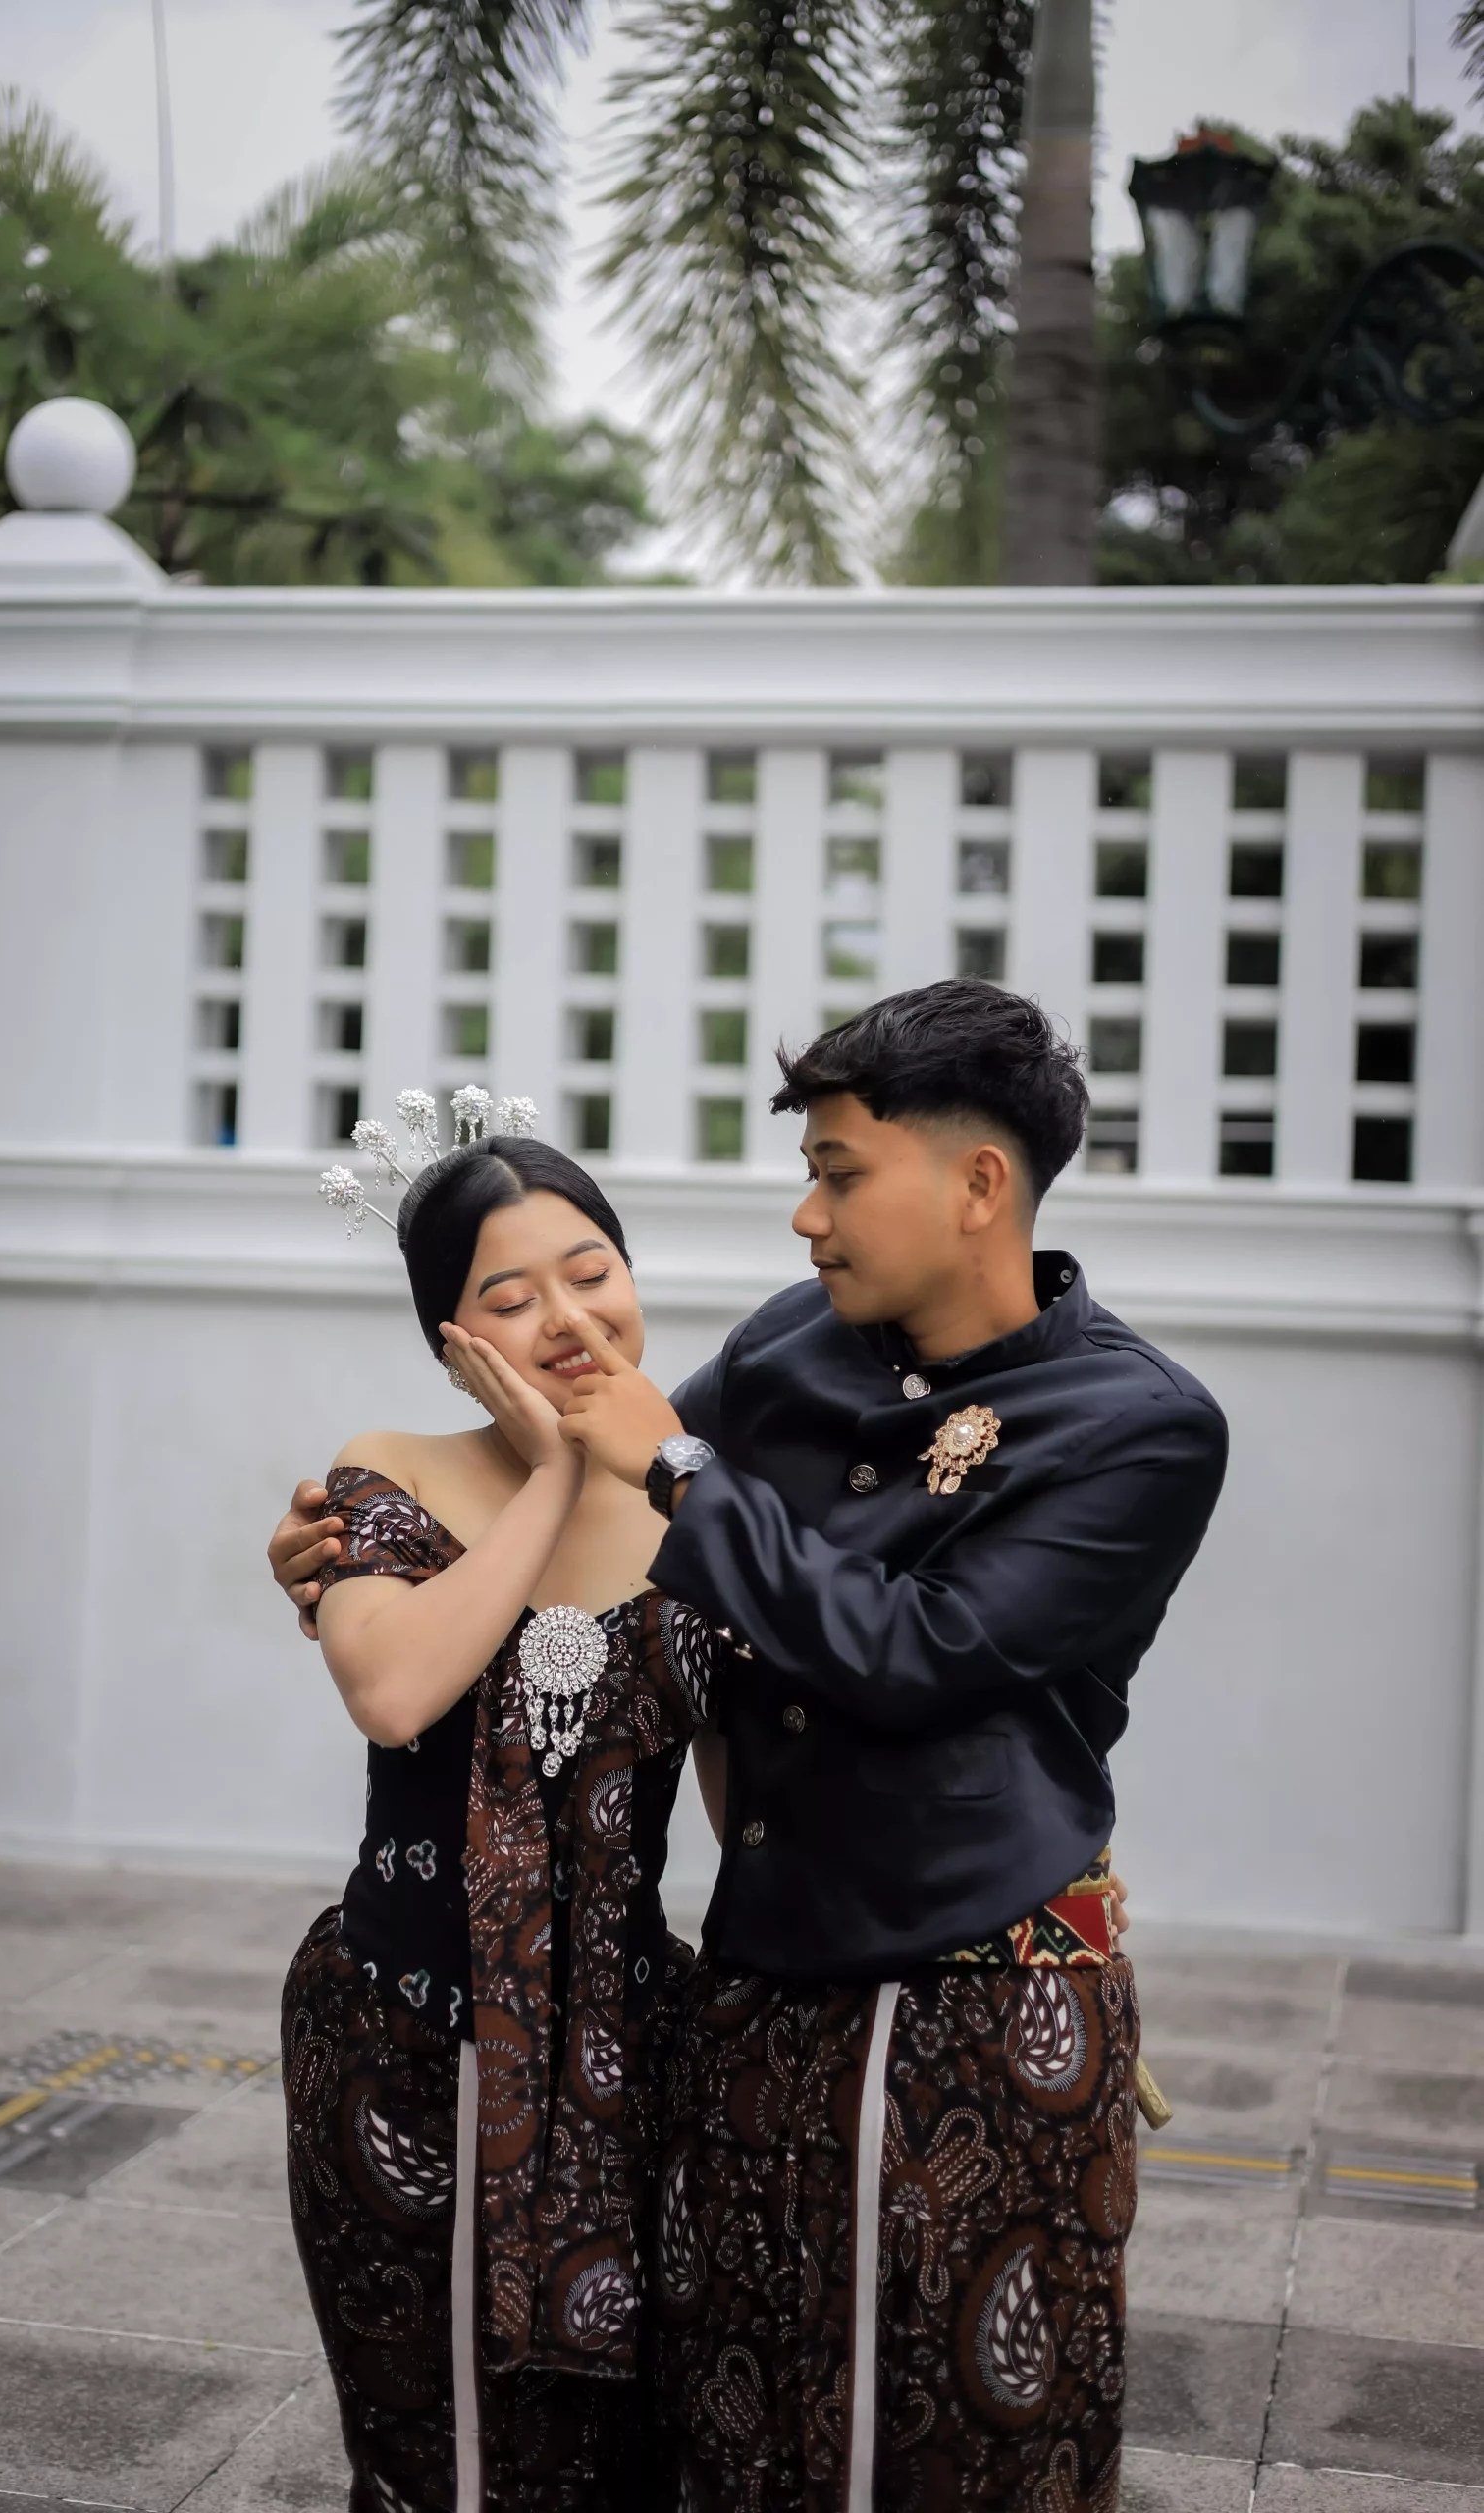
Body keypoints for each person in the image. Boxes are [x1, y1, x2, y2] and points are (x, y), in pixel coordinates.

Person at [544, 981, 1229, 2512]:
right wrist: (375, 1542)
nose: (806, 1218)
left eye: (839, 1173)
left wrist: (677, 1468)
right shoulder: (793, 1342)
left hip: (973, 2001)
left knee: (958, 2438)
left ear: (977, 1183)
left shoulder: (1135, 1424)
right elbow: (598, 1498)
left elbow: (914, 1656)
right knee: (742, 2423)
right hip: (759, 1975)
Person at [279, 1131, 720, 2512]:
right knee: (432, 2450)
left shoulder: (707, 1505)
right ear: (451, 1340)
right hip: (403, 2038)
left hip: (632, 2051)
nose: (569, 1319)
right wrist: (548, 1476)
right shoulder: (388, 1473)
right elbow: (394, 1691)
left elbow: (757, 1795)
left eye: (592, 1273)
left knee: (626, 2454)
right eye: (512, 1299)